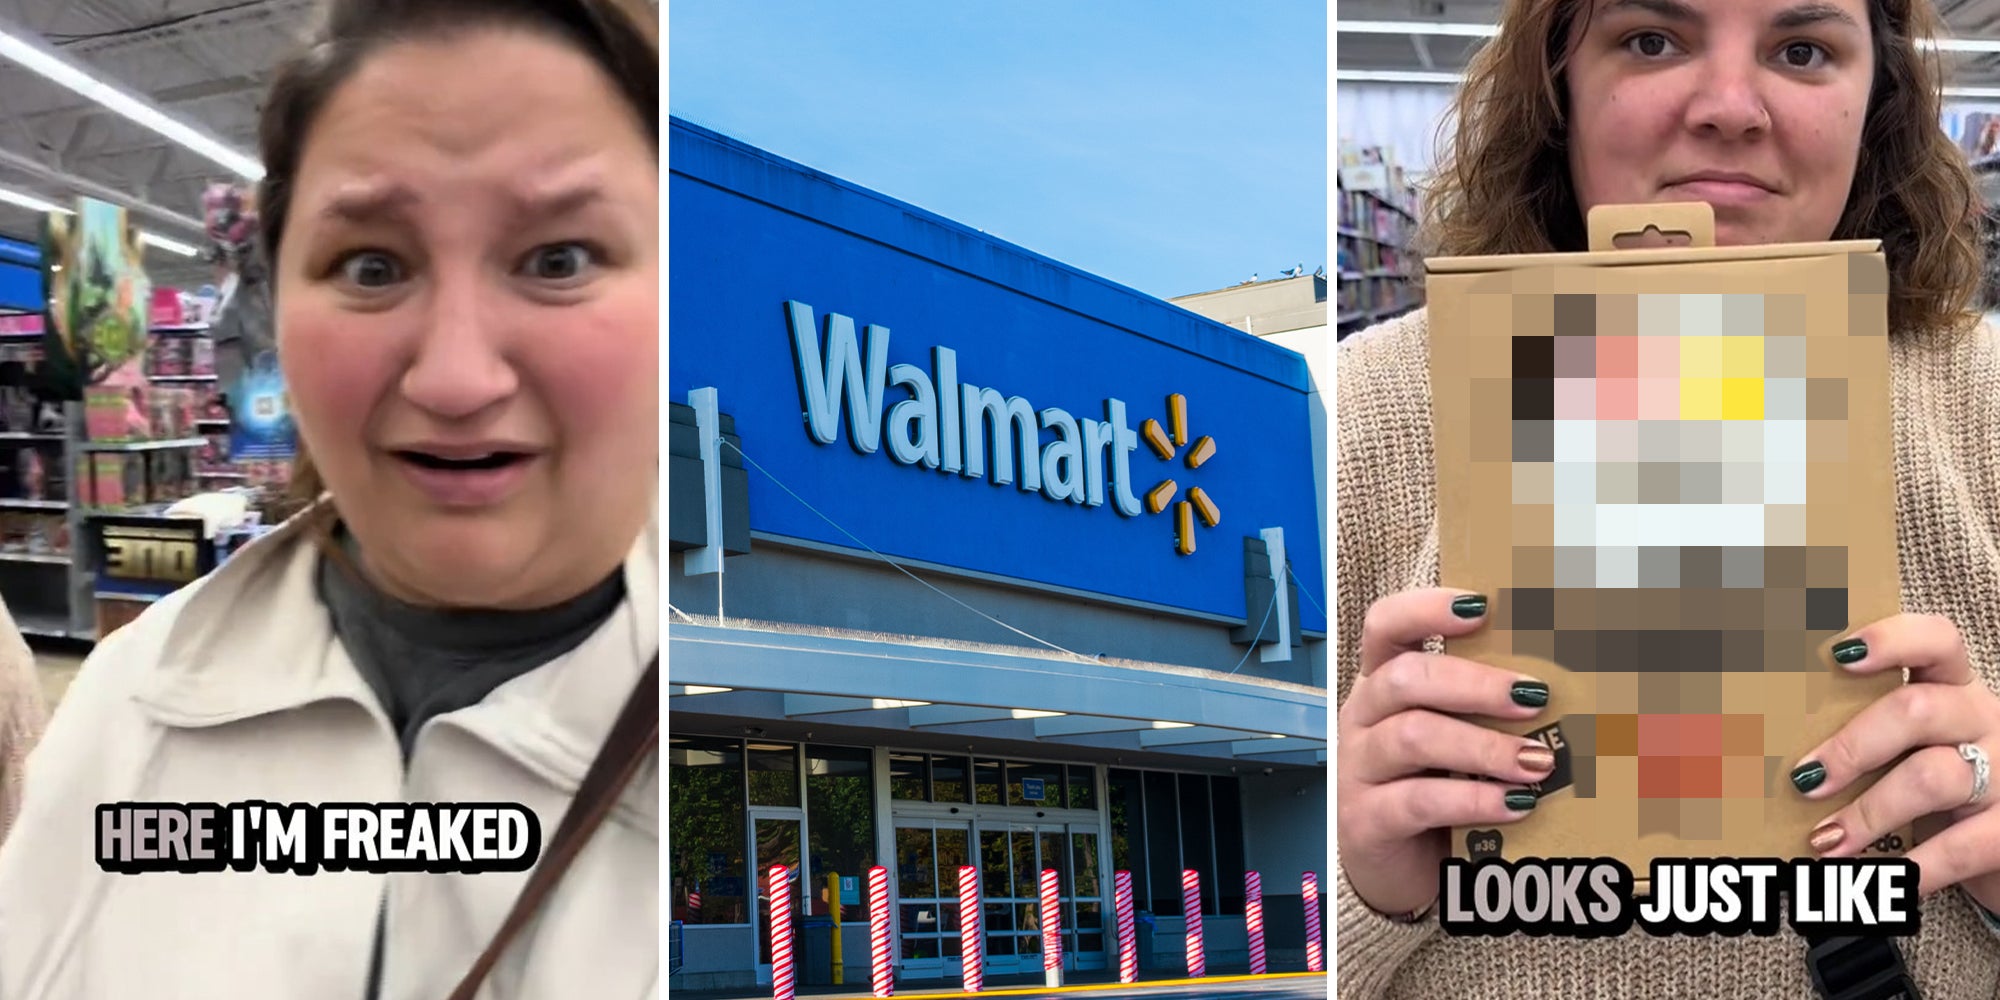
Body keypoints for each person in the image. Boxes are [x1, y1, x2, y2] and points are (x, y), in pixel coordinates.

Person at [1336, 0, 2000, 997]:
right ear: (1557, 82)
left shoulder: (1985, 402)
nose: (1729, 105)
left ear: (1880, 95)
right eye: (1652, 40)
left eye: (1801, 50)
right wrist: (1362, 882)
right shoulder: (1361, 411)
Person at [0, 1, 660, 997]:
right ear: (278, 307)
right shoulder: (131, 700)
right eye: (371, 266)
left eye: (557, 259)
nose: (455, 377)